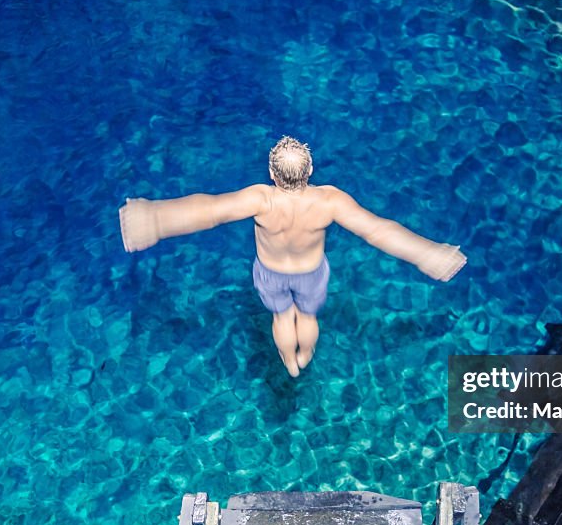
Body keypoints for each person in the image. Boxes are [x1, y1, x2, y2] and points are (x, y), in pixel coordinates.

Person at [119, 136, 466, 376]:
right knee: (308, 319)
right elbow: (376, 230)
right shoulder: (329, 201)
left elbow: (210, 210)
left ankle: (289, 362)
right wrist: (426, 253)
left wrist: (156, 219)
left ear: (272, 174)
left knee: (282, 319)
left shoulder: (261, 199)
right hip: (310, 272)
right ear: (310, 171)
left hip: (270, 272)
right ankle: (306, 354)